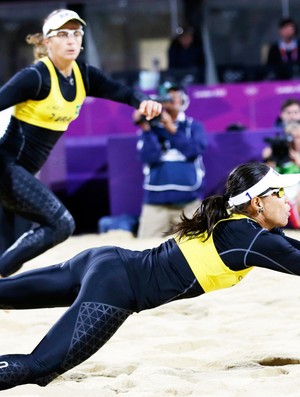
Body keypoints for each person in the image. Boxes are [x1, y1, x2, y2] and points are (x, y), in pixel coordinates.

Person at [1, 161, 300, 390]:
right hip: (114, 290)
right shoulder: (253, 239)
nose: (288, 200)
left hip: (103, 259)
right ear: (257, 202)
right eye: (280, 194)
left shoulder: (237, 223)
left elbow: (289, 248)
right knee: (39, 367)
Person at [0, 9, 162, 277]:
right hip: (6, 166)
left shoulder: (83, 75)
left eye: (76, 34)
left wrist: (141, 101)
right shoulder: (36, 77)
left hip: (23, 173)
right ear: (47, 42)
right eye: (63, 34)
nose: (71, 40)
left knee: (16, 242)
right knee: (60, 224)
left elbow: (118, 90)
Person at [133, 82, 207, 238]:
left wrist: (170, 127)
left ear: (184, 100)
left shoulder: (193, 126)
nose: (171, 98)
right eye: (166, 94)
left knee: (198, 246)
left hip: (188, 202)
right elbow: (149, 157)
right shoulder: (151, 127)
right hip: (156, 204)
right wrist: (146, 128)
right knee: (144, 249)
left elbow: (193, 151)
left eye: (175, 94)